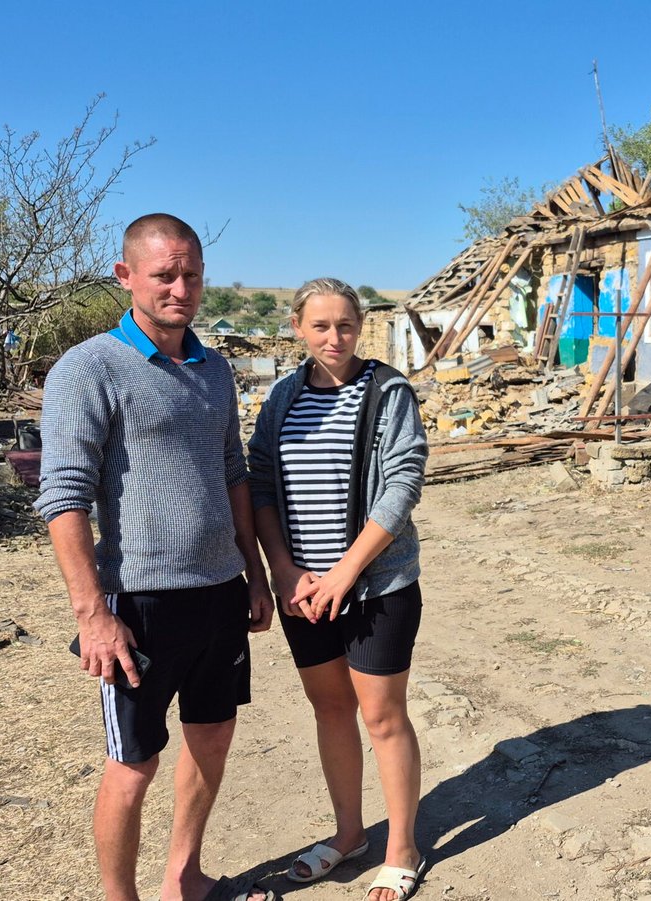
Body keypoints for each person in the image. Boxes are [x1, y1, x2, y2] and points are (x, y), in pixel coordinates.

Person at [34, 213, 276, 901]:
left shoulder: (213, 368)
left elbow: (233, 470)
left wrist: (252, 573)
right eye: (164, 274)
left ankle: (183, 877)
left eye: (191, 274)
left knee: (213, 738)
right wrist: (92, 616)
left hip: (219, 592)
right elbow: (64, 496)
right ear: (126, 276)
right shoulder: (89, 368)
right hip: (138, 602)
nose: (180, 287)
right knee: (133, 763)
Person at [247, 278, 429, 901]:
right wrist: (284, 569)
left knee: (383, 717)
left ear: (360, 327)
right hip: (303, 592)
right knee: (330, 710)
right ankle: (349, 833)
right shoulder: (281, 398)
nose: (334, 337)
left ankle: (402, 849)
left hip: (376, 586)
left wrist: (347, 571)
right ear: (298, 328)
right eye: (320, 326)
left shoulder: (388, 392)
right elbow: (262, 483)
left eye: (345, 325)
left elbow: (402, 484)